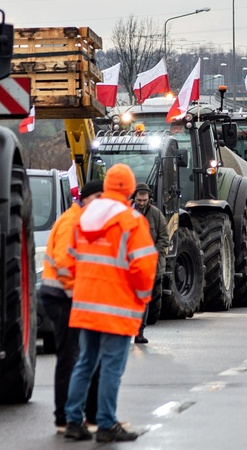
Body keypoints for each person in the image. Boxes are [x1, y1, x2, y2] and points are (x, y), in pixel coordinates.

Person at [64, 164, 157, 442]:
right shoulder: (131, 221)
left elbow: (68, 260)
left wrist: (81, 289)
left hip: (85, 304)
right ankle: (105, 424)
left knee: (85, 363)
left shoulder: (83, 218)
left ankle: (73, 421)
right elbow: (143, 266)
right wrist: (142, 299)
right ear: (129, 189)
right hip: (117, 306)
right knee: (111, 368)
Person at [40, 179, 103, 434]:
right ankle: (64, 419)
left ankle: (82, 417)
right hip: (62, 296)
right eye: (96, 196)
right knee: (70, 357)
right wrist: (79, 295)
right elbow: (65, 264)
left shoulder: (81, 219)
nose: (100, 202)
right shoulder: (72, 221)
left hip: (66, 295)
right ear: (84, 197)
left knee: (78, 356)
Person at [130, 183, 169, 344]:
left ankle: (140, 331)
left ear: (149, 199)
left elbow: (164, 237)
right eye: (139, 200)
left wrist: (152, 253)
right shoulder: (128, 214)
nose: (141, 203)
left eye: (144, 200)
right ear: (134, 198)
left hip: (150, 266)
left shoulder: (156, 215)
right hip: (130, 265)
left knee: (144, 299)